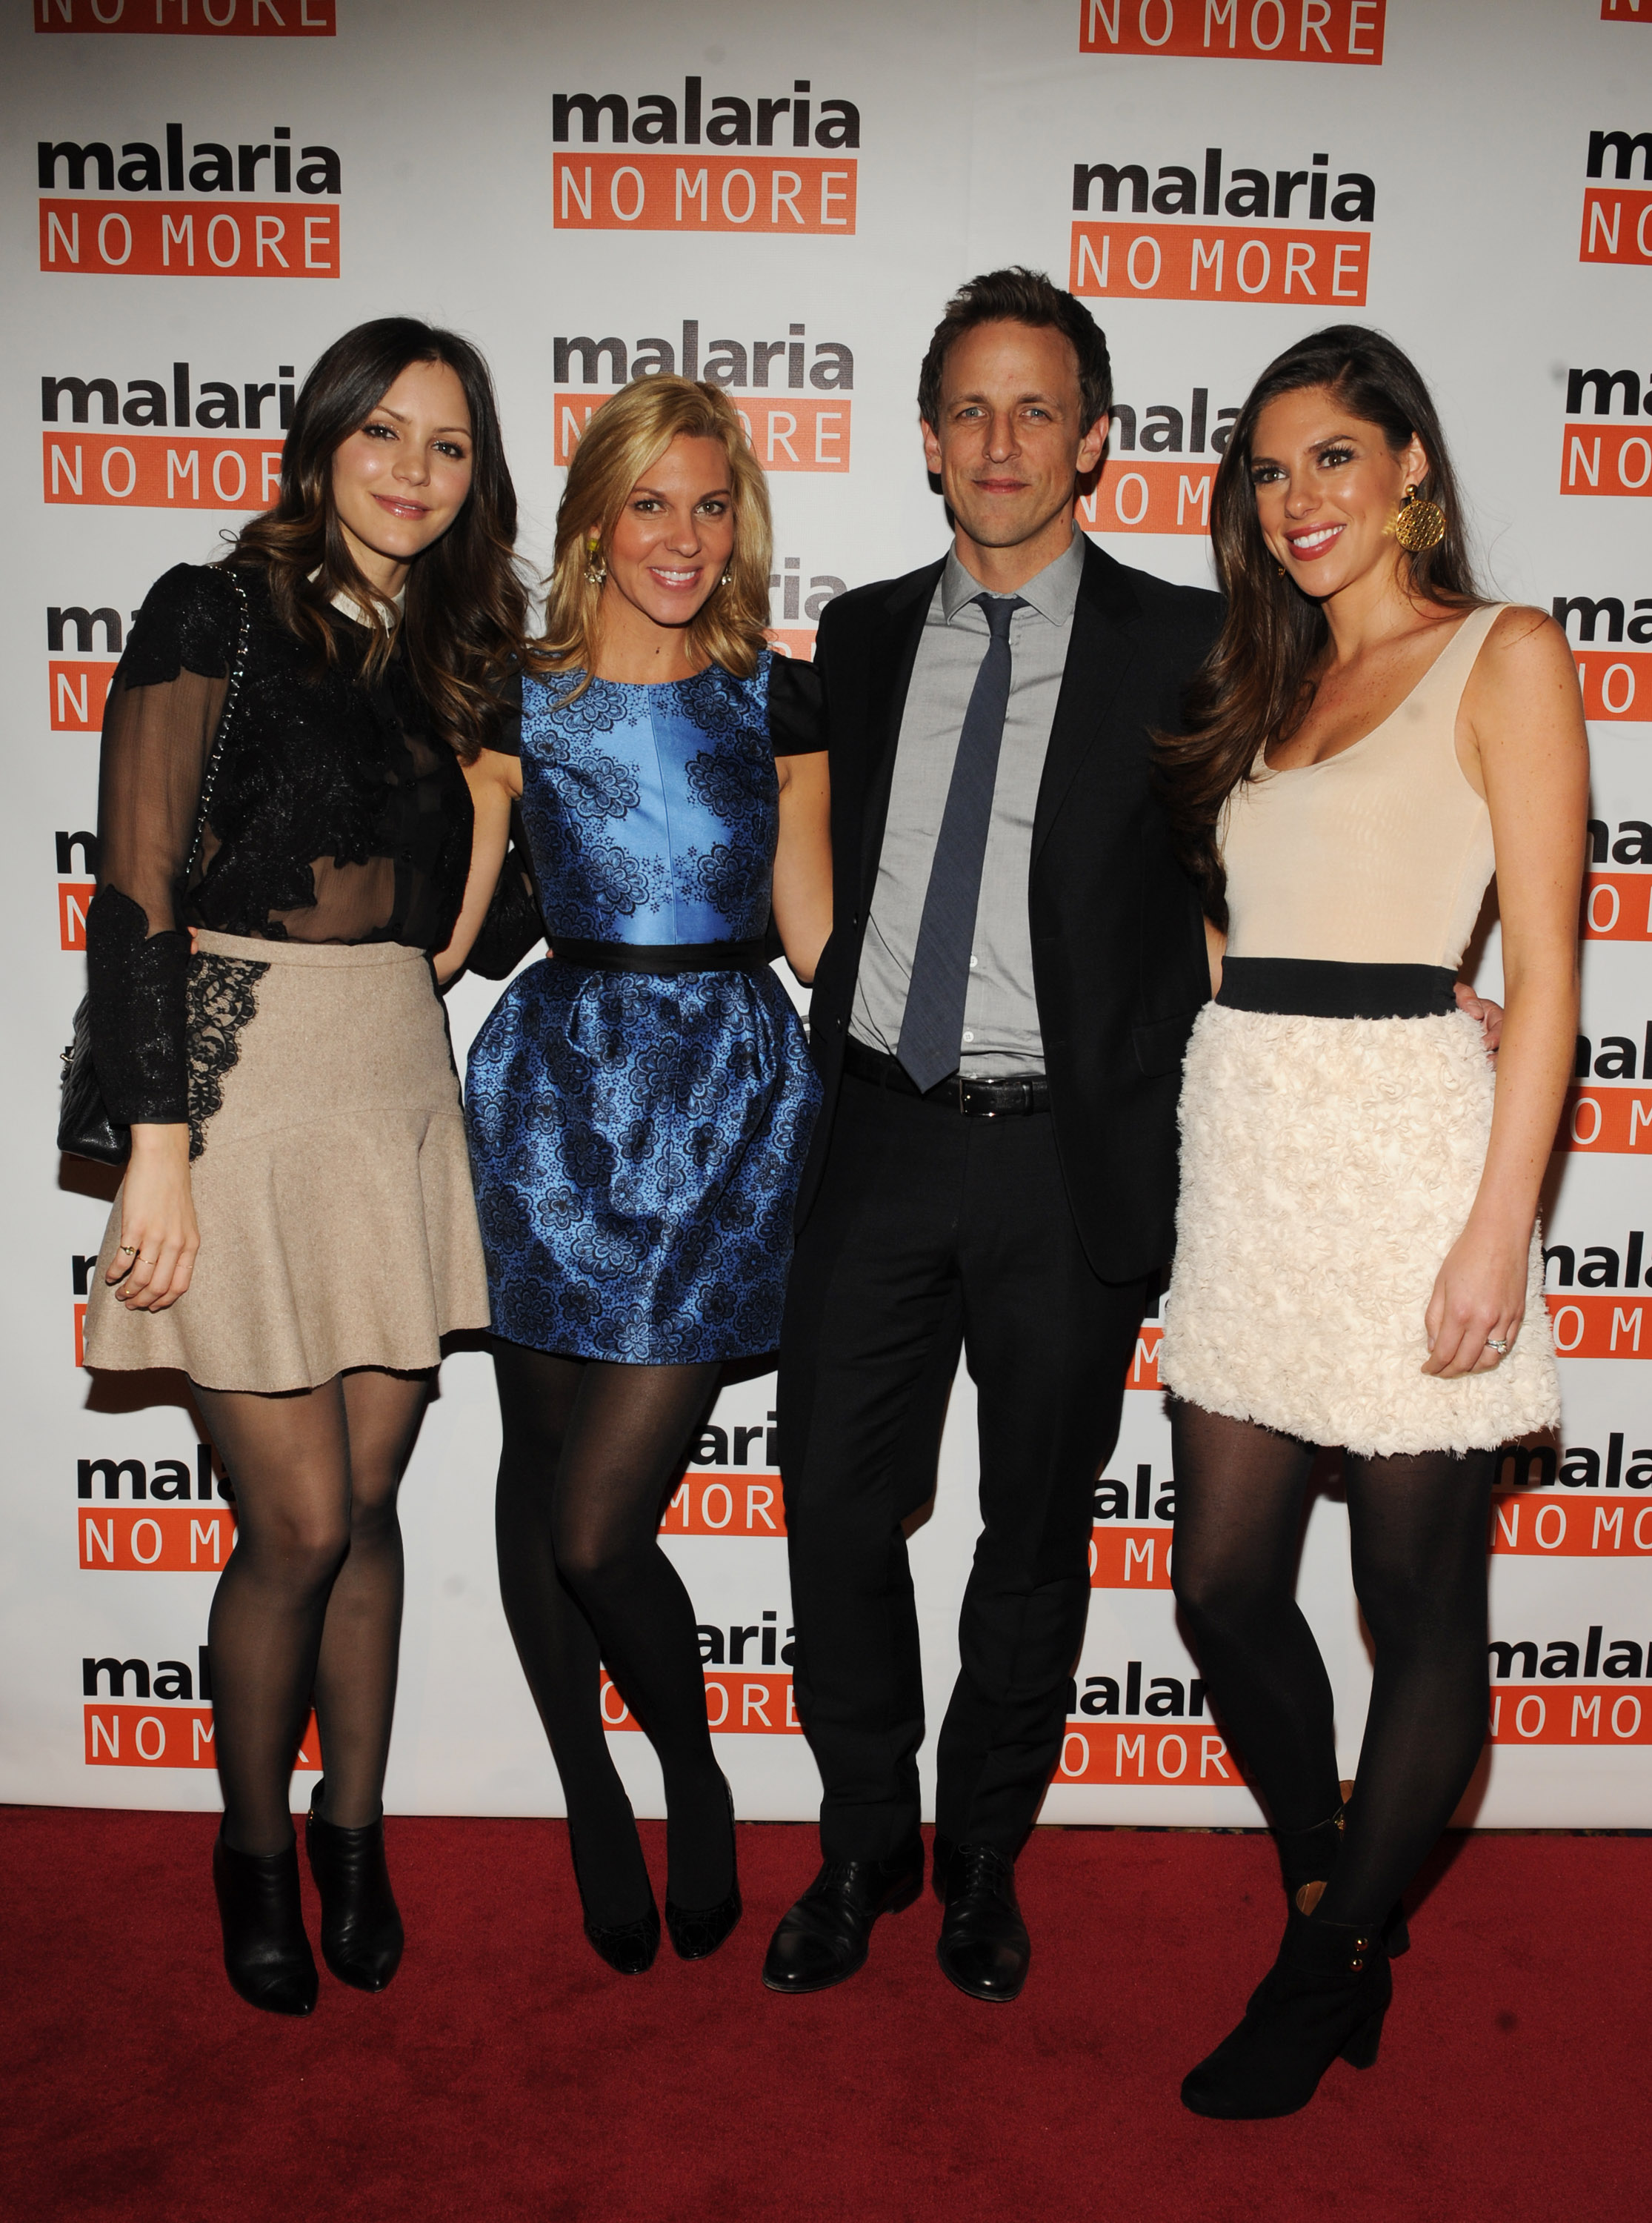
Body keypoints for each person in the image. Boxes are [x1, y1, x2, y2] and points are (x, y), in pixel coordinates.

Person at [756, 267, 1226, 2005]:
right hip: (876, 1137)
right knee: (828, 1508)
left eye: (1036, 409)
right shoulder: (864, 636)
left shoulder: (1184, 645)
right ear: (926, 439)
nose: (1001, 441)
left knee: (1029, 1537)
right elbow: (812, 847)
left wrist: (1400, 986)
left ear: (1093, 439)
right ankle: (862, 1838)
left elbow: (1259, 872)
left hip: (1064, 1160)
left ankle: (978, 1861)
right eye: (969, 408)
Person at [1156, 325, 1585, 2118]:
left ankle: (1325, 1961)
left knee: (1414, 1602)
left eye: (1330, 456)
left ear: (1408, 462)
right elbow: (1232, 937)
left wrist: (1496, 1228)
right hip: (1252, 1157)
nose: (1295, 499)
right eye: (1266, 472)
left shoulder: (1504, 652)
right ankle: (1328, 1870)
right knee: (1217, 1586)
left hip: (1410, 1167)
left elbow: (1546, 974)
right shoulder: (1257, 683)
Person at [81, 319, 525, 2016]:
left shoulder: (455, 652)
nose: (414, 471)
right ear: (324, 440)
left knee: (373, 1508)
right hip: (242, 1089)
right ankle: (255, 1848)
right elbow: (137, 888)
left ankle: (356, 1834)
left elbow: (452, 945)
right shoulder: (212, 612)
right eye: (384, 433)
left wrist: (493, 797)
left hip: (396, 1080)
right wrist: (160, 1147)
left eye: (449, 445)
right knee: (300, 1520)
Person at [450, 376, 831, 1973]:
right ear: (594, 519)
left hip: (725, 1107)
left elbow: (817, 939)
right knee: (537, 1477)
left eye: (710, 504)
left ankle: (692, 1771)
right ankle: (589, 1791)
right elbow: (446, 937)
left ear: (740, 524)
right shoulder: (510, 698)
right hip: (551, 1103)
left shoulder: (779, 700)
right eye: (650, 502)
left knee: (599, 1527)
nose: (681, 536)